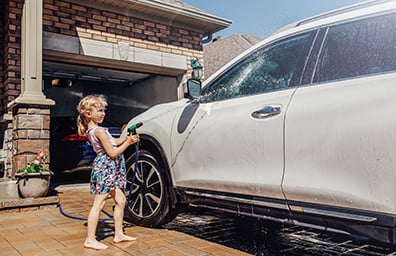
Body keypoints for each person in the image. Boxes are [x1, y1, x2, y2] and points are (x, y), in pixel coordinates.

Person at [76, 94, 139, 250]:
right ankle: (90, 239)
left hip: (111, 168)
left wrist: (126, 138)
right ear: (88, 114)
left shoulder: (98, 130)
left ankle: (118, 234)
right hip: (107, 167)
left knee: (121, 200)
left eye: (104, 110)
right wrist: (129, 143)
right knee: (99, 203)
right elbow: (112, 152)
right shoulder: (98, 131)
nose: (103, 113)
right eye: (99, 110)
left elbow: (115, 142)